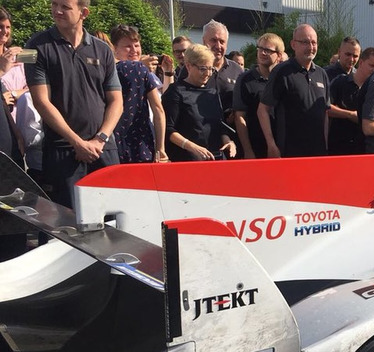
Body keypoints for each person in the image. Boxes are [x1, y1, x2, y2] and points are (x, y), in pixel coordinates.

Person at [25, 0, 122, 208]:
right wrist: (77, 142)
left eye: (65, 7)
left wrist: (100, 139)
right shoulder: (34, 47)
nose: (57, 11)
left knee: (112, 223)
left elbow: (116, 101)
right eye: (54, 4)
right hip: (63, 151)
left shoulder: (103, 50)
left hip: (104, 149)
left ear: (83, 12)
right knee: (64, 224)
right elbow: (41, 101)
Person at [259, 24, 329, 158]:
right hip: (290, 153)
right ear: (293, 44)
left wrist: (325, 144)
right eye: (305, 42)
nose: (310, 47)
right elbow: (263, 110)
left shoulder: (322, 74)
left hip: (317, 153)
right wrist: (271, 144)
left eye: (313, 42)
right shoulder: (281, 72)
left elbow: (325, 112)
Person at [162, 44, 236, 162]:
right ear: (188, 66)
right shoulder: (175, 92)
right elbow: (168, 129)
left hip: (214, 158)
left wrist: (228, 141)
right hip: (187, 160)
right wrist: (192, 147)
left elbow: (219, 126)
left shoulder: (212, 93)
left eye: (211, 69)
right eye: (203, 69)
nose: (208, 73)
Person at [109, 24, 166, 163]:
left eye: (137, 45)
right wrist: (161, 148)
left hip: (112, 143)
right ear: (115, 49)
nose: (134, 50)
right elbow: (158, 110)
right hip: (141, 142)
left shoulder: (106, 70)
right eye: (127, 46)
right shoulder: (140, 69)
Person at [234, 33, 283, 159]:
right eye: (260, 49)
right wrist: (248, 150)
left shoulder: (283, 79)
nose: (263, 53)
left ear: (279, 55)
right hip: (256, 148)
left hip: (283, 147)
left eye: (268, 50)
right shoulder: (245, 79)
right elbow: (240, 117)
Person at [327, 46, 374, 155]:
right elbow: (326, 107)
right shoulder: (340, 82)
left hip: (362, 149)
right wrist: (350, 115)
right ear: (361, 62)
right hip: (338, 147)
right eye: (371, 65)